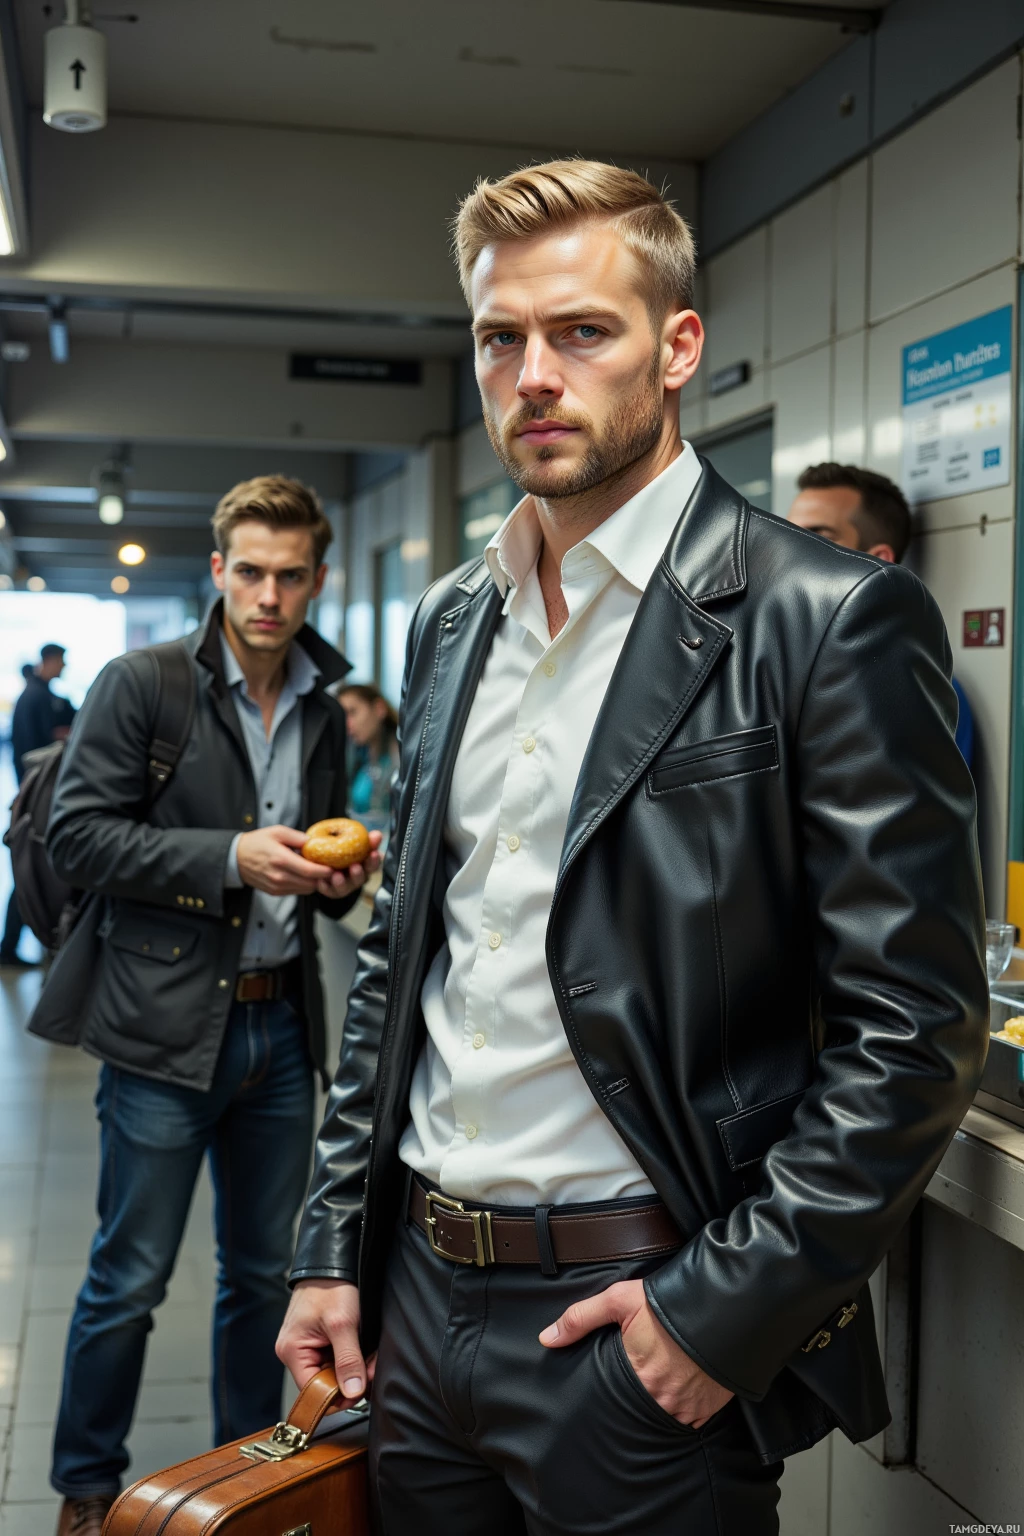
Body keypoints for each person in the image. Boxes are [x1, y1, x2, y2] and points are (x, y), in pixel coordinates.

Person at [277, 161, 987, 1536]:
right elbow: (400, 971)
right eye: (501, 339)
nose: (533, 374)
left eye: (581, 332)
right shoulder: (450, 622)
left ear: (676, 349)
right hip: (417, 1312)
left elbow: (914, 1026)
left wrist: (722, 1313)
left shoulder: (821, 618)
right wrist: (331, 1250)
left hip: (634, 1320)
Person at [33, 476, 382, 1536]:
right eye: (249, 571)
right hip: (161, 1028)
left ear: (317, 580)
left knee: (262, 1281)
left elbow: (317, 845)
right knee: (127, 1278)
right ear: (219, 569)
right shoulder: (146, 685)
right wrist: (229, 857)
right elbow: (77, 836)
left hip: (281, 1026)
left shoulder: (324, 703)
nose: (267, 595)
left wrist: (337, 879)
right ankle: (88, 1487)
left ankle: (247, 1477)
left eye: (289, 575)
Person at [788, 461, 975, 768]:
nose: (790, 551)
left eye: (817, 536)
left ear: (876, 561)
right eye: (789, 534)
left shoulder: (914, 686)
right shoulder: (782, 662)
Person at [1, 644, 75, 967]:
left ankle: (19, 944)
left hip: (38, 799)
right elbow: (37, 751)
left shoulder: (43, 695)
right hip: (39, 801)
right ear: (50, 660)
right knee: (31, 867)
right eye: (61, 661)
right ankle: (14, 946)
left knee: (33, 868)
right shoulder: (37, 698)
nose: (64, 667)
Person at [338, 682, 398, 834]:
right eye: (343, 716)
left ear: (379, 709)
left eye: (353, 712)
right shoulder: (355, 756)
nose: (347, 723)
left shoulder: (401, 758)